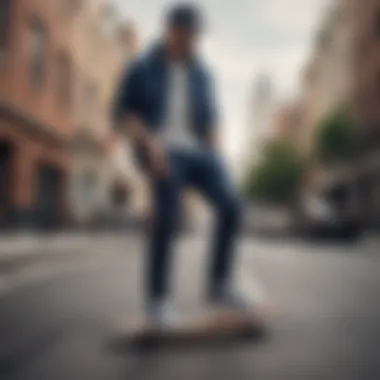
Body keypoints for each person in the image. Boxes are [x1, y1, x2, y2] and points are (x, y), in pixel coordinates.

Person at [112, 3, 256, 327]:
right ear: (171, 31)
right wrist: (148, 144)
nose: (192, 43)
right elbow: (122, 115)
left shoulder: (202, 73)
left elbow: (211, 120)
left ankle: (220, 286)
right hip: (161, 149)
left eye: (196, 37)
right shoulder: (141, 67)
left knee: (232, 205)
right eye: (186, 36)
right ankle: (158, 301)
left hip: (197, 153)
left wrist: (216, 150)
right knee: (167, 215)